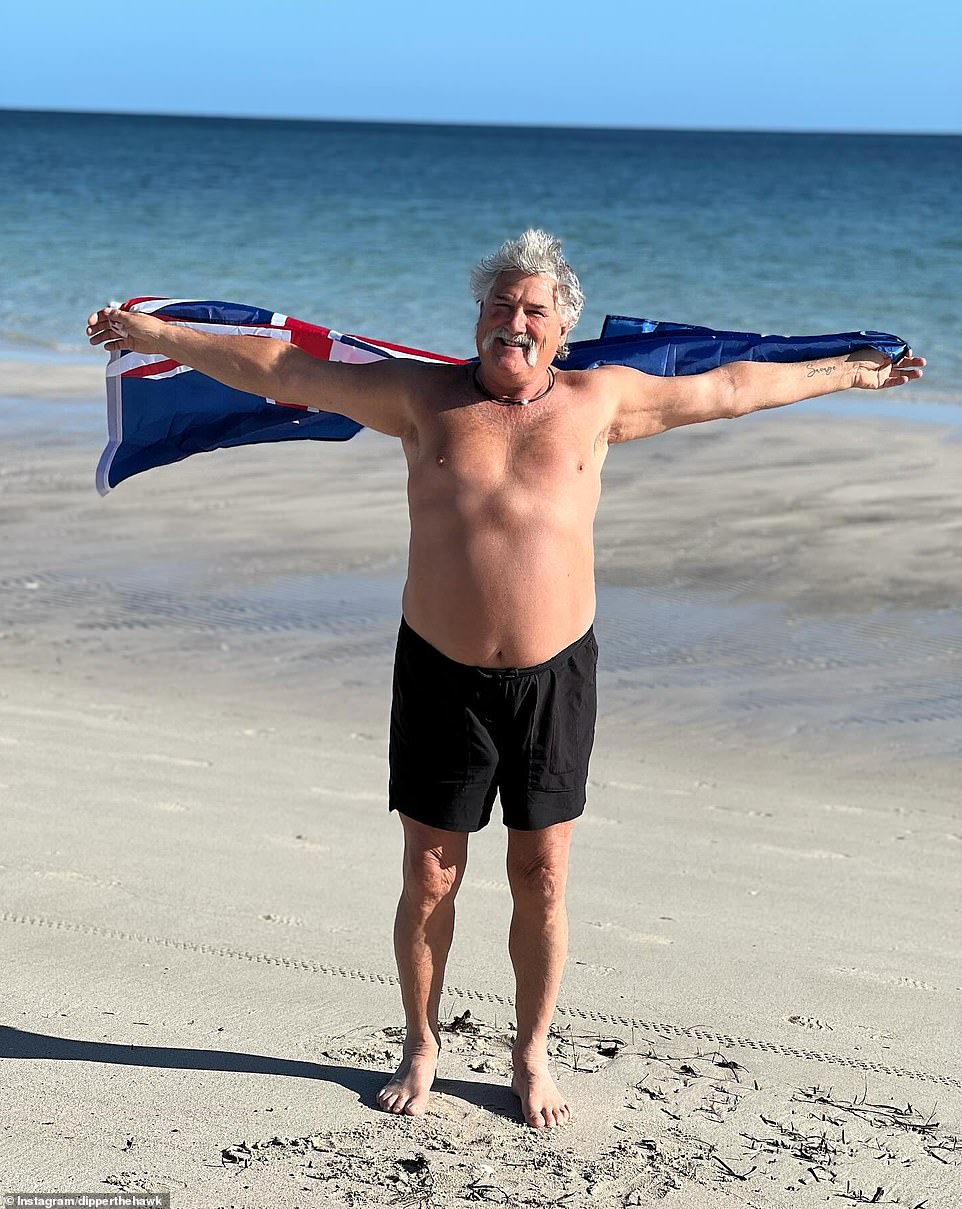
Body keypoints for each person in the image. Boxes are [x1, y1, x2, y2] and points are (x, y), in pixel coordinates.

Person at [87, 229, 924, 1129]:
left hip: (553, 676)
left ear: (561, 328)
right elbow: (284, 369)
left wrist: (852, 372)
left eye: (534, 310)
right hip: (441, 674)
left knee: (544, 873)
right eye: (500, 307)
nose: (514, 323)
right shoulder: (419, 398)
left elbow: (729, 386)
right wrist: (157, 336)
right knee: (432, 873)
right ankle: (420, 1043)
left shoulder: (601, 400)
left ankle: (531, 1053)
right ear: (477, 319)